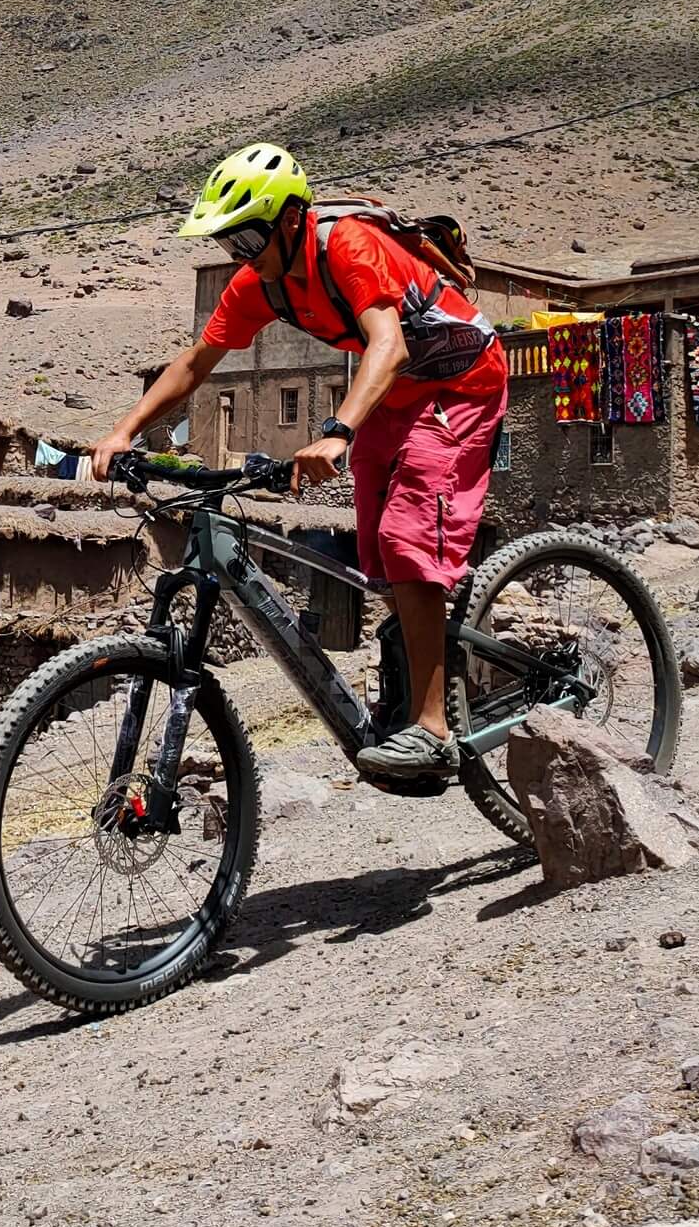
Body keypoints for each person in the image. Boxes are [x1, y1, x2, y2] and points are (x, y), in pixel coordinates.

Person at [91, 142, 509, 782]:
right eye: (232, 243)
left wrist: (338, 430)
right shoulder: (262, 283)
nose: (242, 254)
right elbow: (196, 365)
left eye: (249, 236)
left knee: (405, 537)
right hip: (393, 396)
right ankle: (412, 671)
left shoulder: (347, 249)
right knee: (376, 555)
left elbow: (388, 343)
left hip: (459, 382)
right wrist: (123, 432)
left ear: (290, 219)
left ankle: (433, 728)